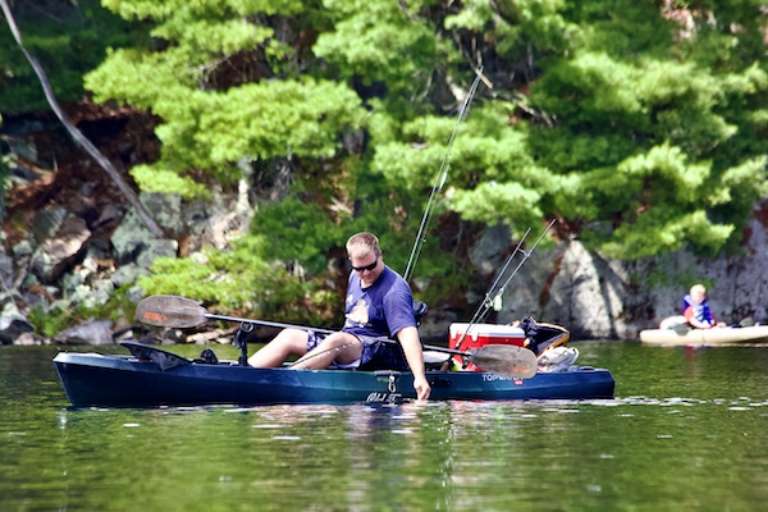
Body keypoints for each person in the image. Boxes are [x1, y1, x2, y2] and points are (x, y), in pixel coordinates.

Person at [248, 232, 431, 400]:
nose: (365, 273)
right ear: (351, 261)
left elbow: (408, 334)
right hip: (349, 343)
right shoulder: (354, 276)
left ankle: (282, 383)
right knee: (290, 335)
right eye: (359, 269)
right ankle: (242, 373)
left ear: (379, 256)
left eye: (371, 266)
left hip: (382, 351)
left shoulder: (395, 290)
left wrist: (420, 377)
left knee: (337, 340)